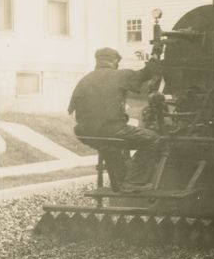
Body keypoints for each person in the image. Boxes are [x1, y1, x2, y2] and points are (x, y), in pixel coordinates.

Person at [68, 47, 164, 191]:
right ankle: (134, 182)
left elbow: (72, 110)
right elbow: (147, 73)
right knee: (154, 139)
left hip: (84, 132)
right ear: (114, 61)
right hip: (111, 129)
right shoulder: (119, 75)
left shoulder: (84, 80)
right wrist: (156, 54)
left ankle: (119, 183)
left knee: (108, 145)